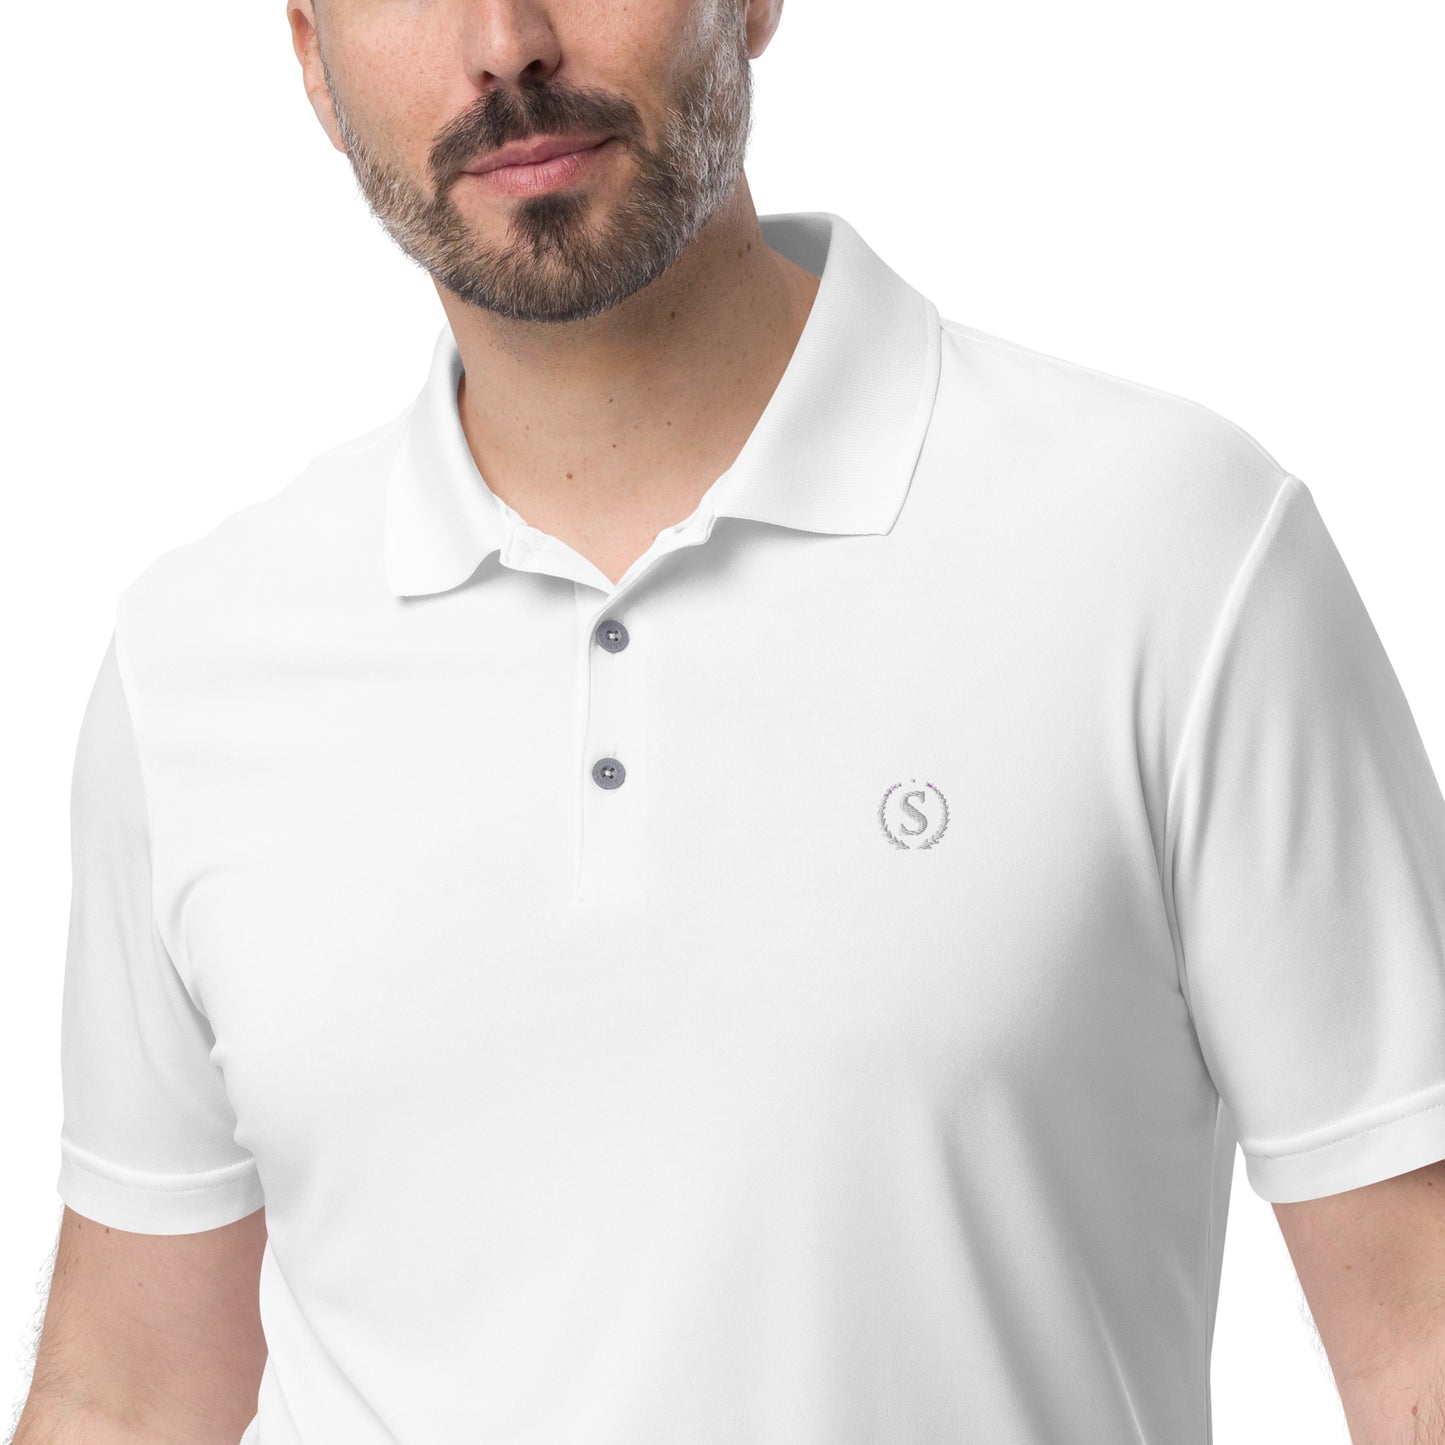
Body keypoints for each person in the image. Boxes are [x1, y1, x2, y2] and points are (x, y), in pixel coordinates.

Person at [16, 0, 1445, 1441]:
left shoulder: (1169, 548)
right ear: (312, 59)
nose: (506, 41)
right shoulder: (195, 659)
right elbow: (127, 1393)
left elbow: (1419, 1325)